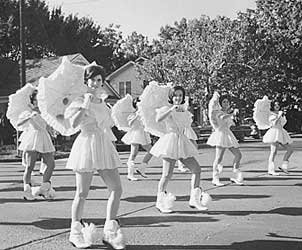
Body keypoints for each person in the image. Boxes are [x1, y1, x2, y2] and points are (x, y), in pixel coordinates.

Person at [64, 65, 125, 249]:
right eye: (93, 79)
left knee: (117, 188)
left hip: (103, 143)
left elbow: (108, 124)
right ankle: (75, 232)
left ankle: (109, 231)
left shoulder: (103, 101)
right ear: (86, 80)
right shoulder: (79, 100)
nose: (97, 83)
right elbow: (73, 124)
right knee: (82, 193)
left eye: (100, 80)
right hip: (86, 144)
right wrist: (85, 105)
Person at [150, 86, 211, 213]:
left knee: (196, 169)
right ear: (171, 97)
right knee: (167, 174)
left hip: (182, 141)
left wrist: (192, 141)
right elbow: (158, 119)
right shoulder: (167, 108)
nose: (178, 98)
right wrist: (171, 109)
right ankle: (160, 202)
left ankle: (194, 199)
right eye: (176, 95)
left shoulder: (185, 111)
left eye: (180, 95)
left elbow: (186, 127)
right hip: (170, 142)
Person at [16, 90, 56, 200]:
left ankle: (44, 187)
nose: (38, 102)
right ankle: (27, 190)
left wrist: (52, 130)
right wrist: (29, 117)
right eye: (36, 100)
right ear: (33, 101)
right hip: (32, 137)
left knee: (51, 164)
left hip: (44, 137)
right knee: (30, 166)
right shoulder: (28, 112)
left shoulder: (45, 112)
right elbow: (18, 124)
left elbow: (48, 125)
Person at [207, 92, 244, 186]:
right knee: (218, 158)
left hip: (228, 135)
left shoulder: (226, 112)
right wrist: (232, 114)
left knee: (238, 155)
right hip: (220, 135)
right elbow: (223, 118)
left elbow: (230, 123)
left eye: (227, 102)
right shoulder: (218, 112)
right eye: (224, 102)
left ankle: (235, 175)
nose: (226, 104)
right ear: (220, 103)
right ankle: (215, 178)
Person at [121, 97, 153, 181]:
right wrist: (136, 116)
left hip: (143, 134)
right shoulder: (132, 114)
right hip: (135, 134)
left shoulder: (144, 114)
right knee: (134, 153)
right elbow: (130, 124)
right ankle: (130, 174)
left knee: (151, 151)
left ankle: (141, 168)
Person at [262, 101, 294, 175]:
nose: (277, 106)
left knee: (290, 149)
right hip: (274, 133)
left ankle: (284, 166)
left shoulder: (279, 113)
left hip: (281, 132)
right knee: (273, 152)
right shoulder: (271, 114)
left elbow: (283, 123)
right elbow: (274, 123)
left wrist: (282, 115)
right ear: (273, 106)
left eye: (278, 104)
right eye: (276, 105)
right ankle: (271, 170)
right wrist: (279, 115)